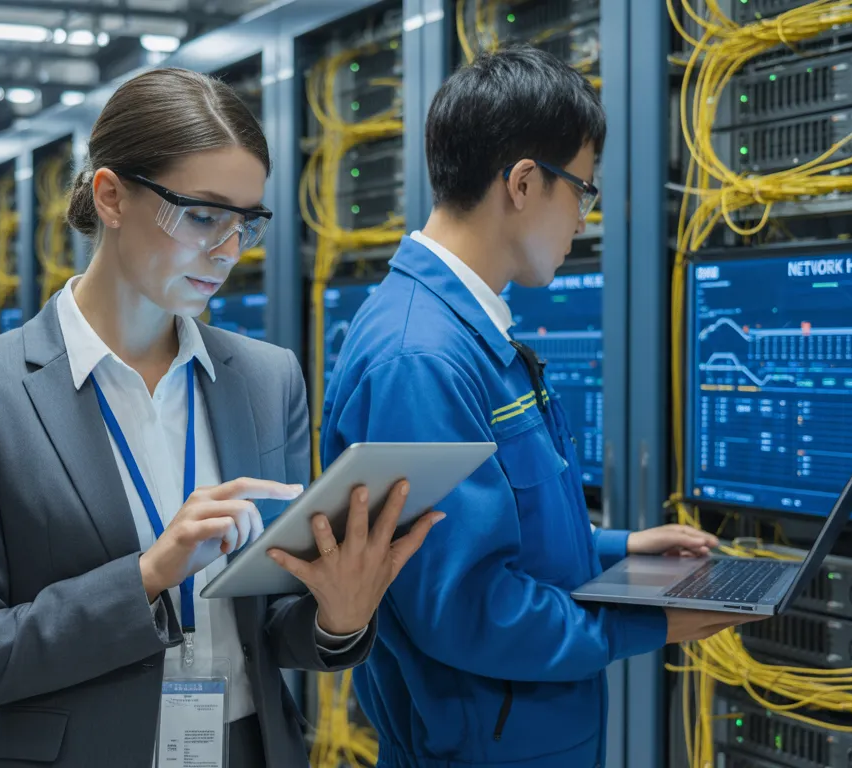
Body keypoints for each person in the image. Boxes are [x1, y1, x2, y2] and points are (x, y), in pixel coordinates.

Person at [0, 67, 440, 768]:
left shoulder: (266, 377)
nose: (227, 250)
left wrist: (339, 614)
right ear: (111, 196)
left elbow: (272, 624)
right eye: (202, 215)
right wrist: (149, 574)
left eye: (245, 223)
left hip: (247, 748)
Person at [321, 46, 758, 768]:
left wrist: (614, 550)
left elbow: (493, 531)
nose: (584, 219)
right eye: (582, 191)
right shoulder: (421, 357)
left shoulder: (463, 331)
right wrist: (651, 621)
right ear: (524, 183)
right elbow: (464, 608)